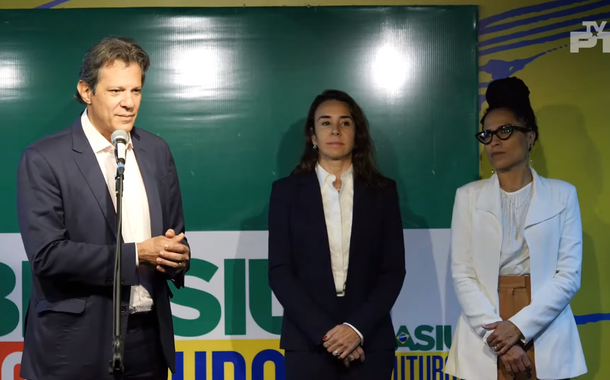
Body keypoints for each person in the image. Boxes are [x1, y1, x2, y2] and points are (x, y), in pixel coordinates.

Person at [16, 36, 190, 380]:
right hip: (73, 347)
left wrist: (177, 258)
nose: (128, 103)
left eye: (136, 91)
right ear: (86, 91)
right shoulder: (45, 158)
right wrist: (138, 254)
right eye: (116, 91)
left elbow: (175, 234)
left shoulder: (156, 150)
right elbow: (48, 256)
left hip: (147, 341)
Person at [445, 77, 587, 380]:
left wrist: (520, 327)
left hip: (544, 321)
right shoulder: (467, 196)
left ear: (530, 136)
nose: (494, 141)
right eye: (488, 134)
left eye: (505, 131)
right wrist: (500, 337)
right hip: (484, 325)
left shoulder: (563, 195)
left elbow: (569, 275)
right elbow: (463, 273)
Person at [267, 89, 406, 379]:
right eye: (325, 122)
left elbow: (392, 271)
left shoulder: (382, 192)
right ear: (313, 136)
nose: (335, 130)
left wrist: (356, 330)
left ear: (357, 134)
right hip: (307, 343)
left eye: (345, 122)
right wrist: (328, 335)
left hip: (371, 341)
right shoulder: (286, 192)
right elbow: (280, 271)